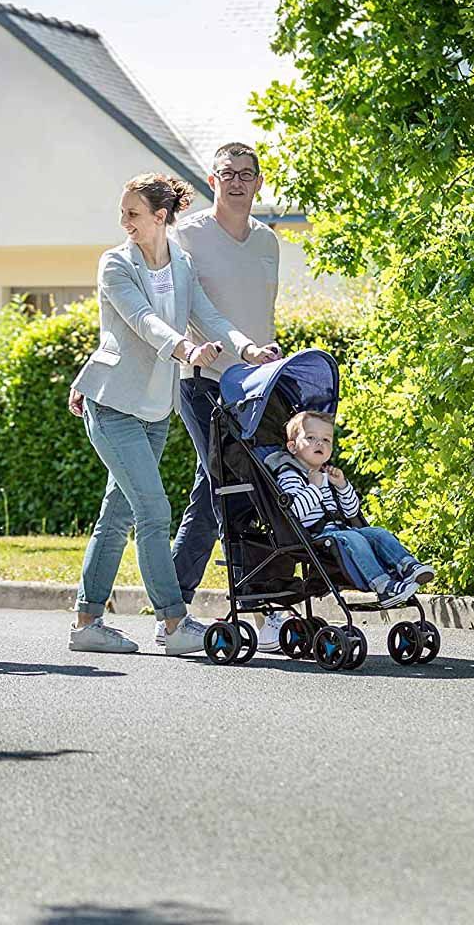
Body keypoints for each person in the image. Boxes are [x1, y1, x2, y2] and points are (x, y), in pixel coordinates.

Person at [67, 172, 280, 656]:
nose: (124, 223)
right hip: (111, 402)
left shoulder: (181, 262)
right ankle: (173, 620)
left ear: (160, 216)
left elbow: (209, 314)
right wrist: (185, 349)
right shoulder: (115, 264)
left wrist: (246, 351)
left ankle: (87, 623)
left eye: (133, 214)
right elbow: (144, 322)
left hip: (154, 408)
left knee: (117, 513)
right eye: (124, 214)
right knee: (153, 508)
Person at [166, 142, 284, 652]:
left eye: (247, 174)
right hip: (204, 380)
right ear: (212, 181)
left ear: (259, 182)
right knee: (235, 485)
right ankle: (263, 603)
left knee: (210, 490)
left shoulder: (268, 241)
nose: (237, 182)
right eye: (227, 173)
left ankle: (171, 605)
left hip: (256, 385)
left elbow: (262, 310)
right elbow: (183, 308)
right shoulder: (185, 236)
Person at [265, 410, 435, 609]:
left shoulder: (327, 475)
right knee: (354, 538)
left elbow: (351, 512)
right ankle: (382, 585)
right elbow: (295, 515)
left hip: (341, 530)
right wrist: (315, 487)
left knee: (376, 533)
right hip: (315, 537)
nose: (320, 443)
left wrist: (342, 486)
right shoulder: (289, 476)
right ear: (292, 447)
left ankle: (408, 567)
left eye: (326, 440)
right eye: (311, 438)